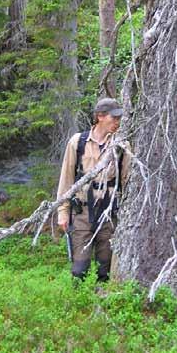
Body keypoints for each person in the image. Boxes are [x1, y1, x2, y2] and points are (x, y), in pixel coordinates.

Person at [57, 98, 130, 281]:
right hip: (81, 214)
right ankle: (78, 305)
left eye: (118, 118)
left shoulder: (122, 146)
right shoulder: (77, 142)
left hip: (110, 215)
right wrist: (63, 212)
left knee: (104, 269)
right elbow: (66, 179)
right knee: (79, 270)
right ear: (100, 116)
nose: (117, 122)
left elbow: (128, 183)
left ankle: (102, 305)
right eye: (113, 118)